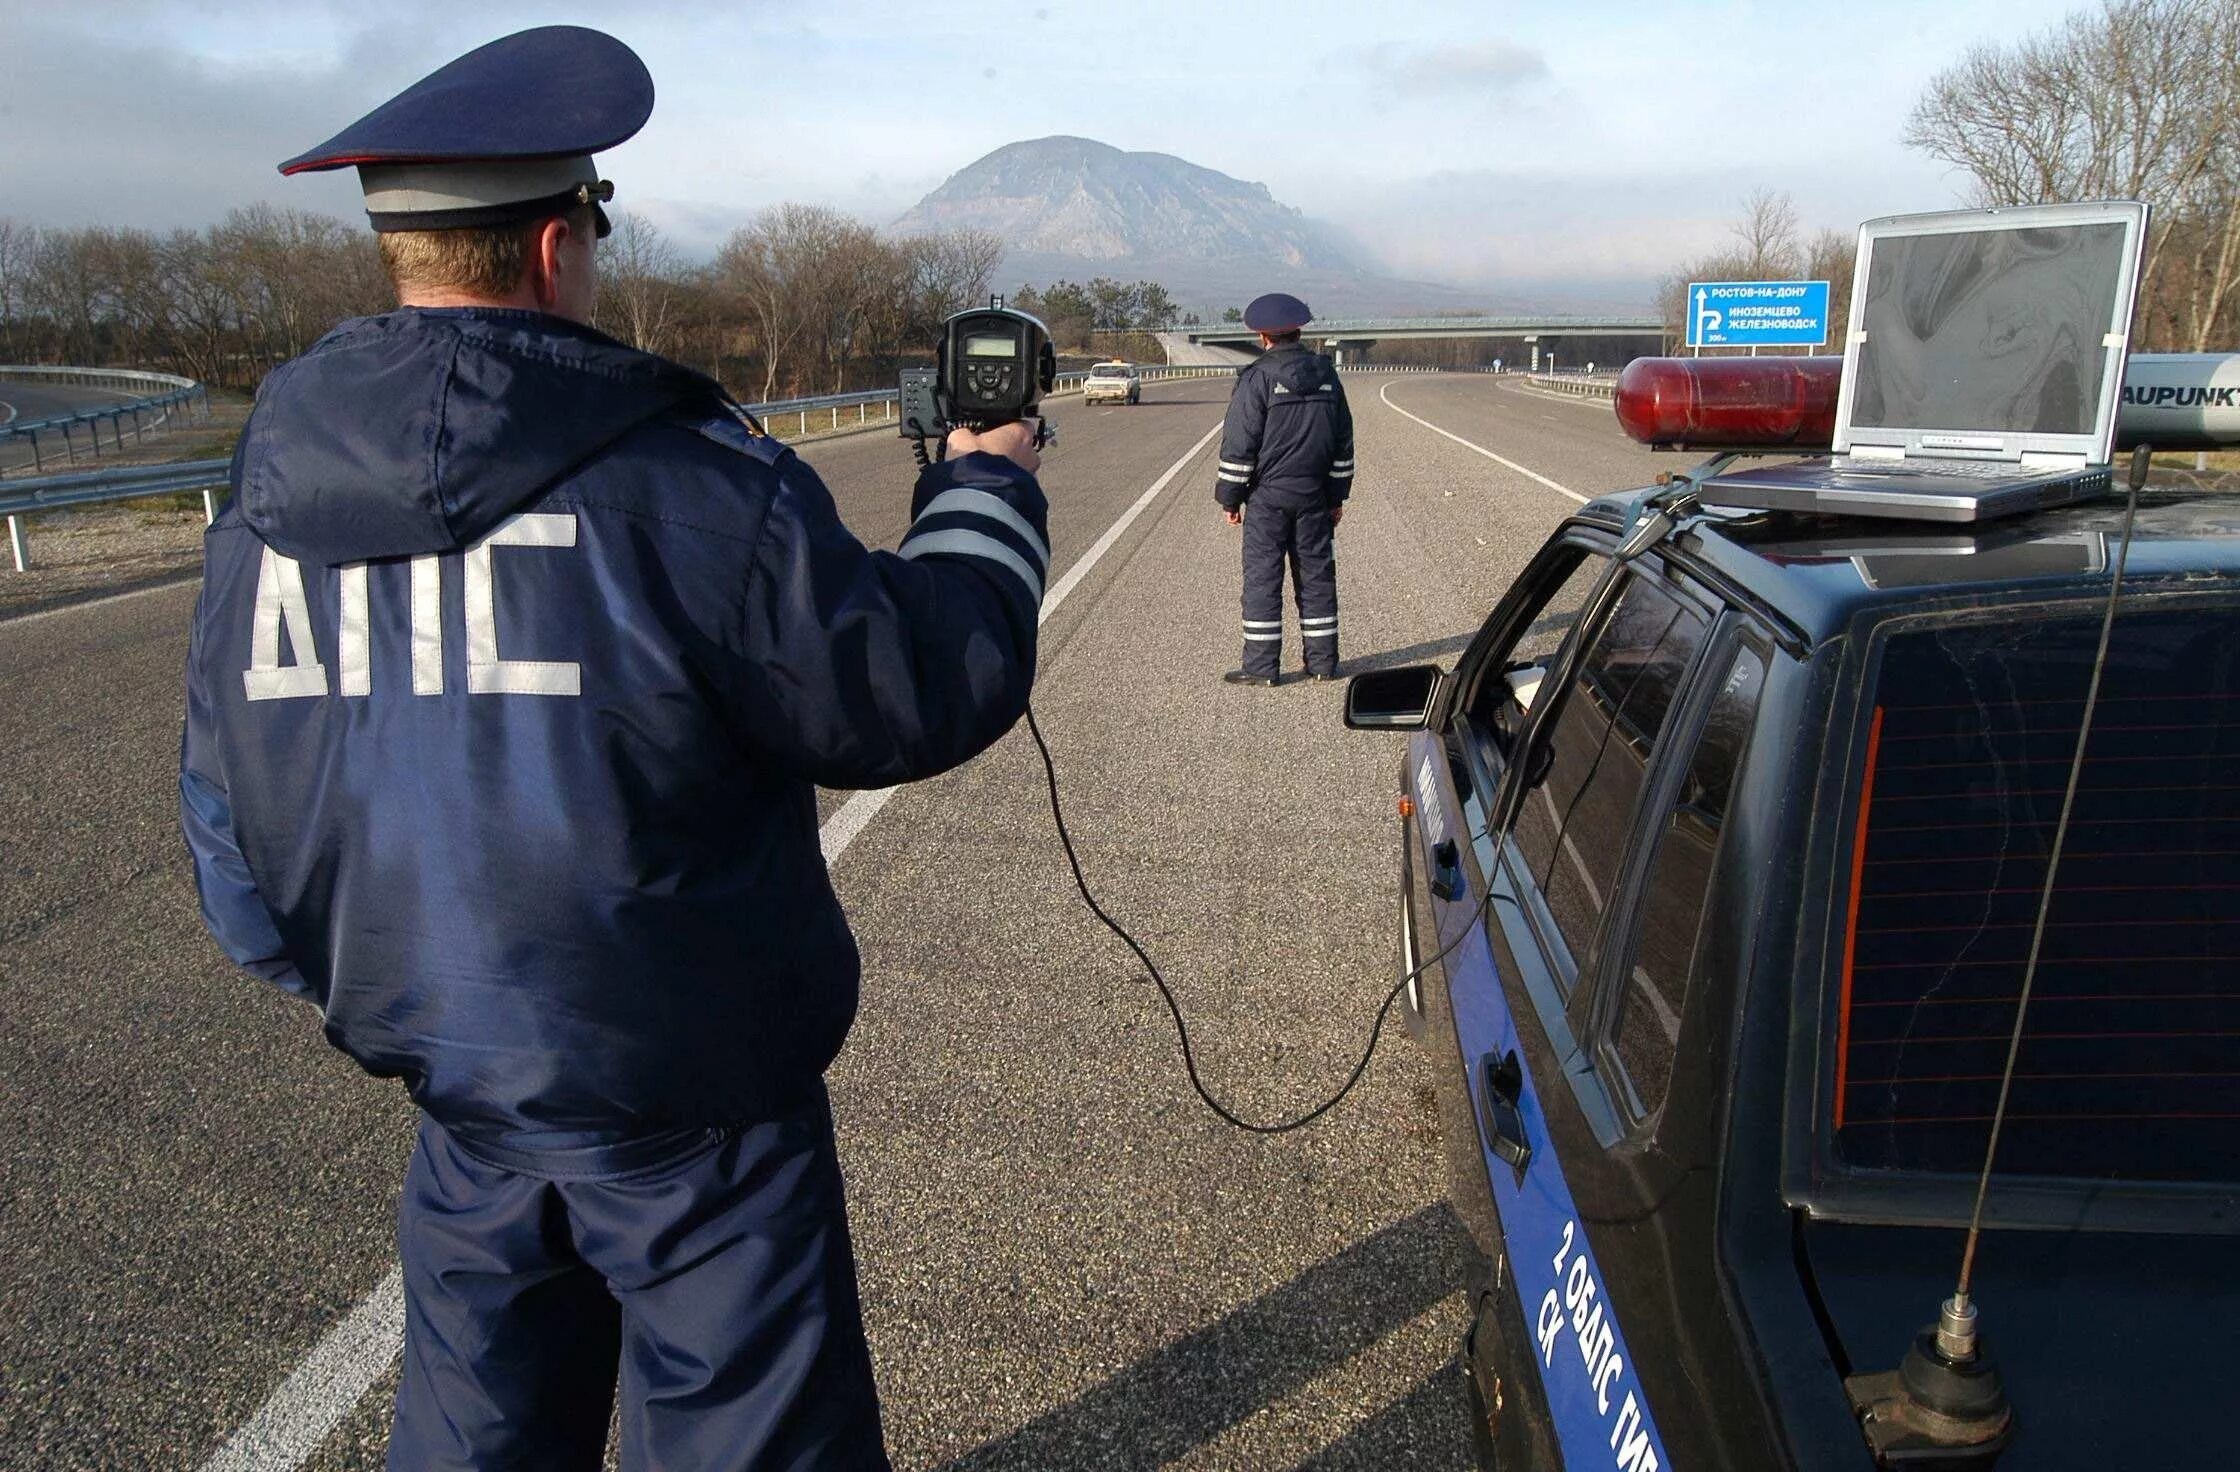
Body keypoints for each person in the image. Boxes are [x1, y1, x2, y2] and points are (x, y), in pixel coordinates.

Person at [177, 27, 1048, 1471]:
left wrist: (415, 999)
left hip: (462, 1102)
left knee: (474, 1437)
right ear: (548, 246)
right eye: (595, 219)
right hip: (694, 1110)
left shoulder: (258, 509)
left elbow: (231, 833)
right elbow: (915, 685)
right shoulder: (688, 481)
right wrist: (988, 497)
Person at [1213, 292, 1355, 686]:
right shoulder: (1328, 375)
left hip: (1267, 500)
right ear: (1298, 331)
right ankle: (1324, 664)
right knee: (1317, 578)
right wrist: (1336, 495)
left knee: (1262, 578)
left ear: (1263, 336)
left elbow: (1239, 447)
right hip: (1313, 497)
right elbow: (1343, 442)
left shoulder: (1256, 379)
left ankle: (1261, 669)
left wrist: (1230, 497)